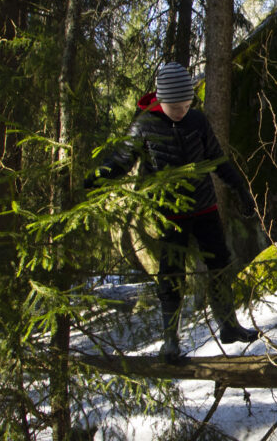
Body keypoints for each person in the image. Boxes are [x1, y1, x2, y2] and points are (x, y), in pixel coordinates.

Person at [86, 62, 260, 362]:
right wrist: (97, 178)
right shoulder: (145, 125)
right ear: (162, 100)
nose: (181, 110)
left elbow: (217, 160)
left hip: (205, 207)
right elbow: (122, 159)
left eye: (186, 104)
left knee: (221, 263)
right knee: (171, 276)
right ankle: (170, 341)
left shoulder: (198, 121)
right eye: (175, 106)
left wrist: (240, 189)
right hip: (170, 213)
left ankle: (229, 325)